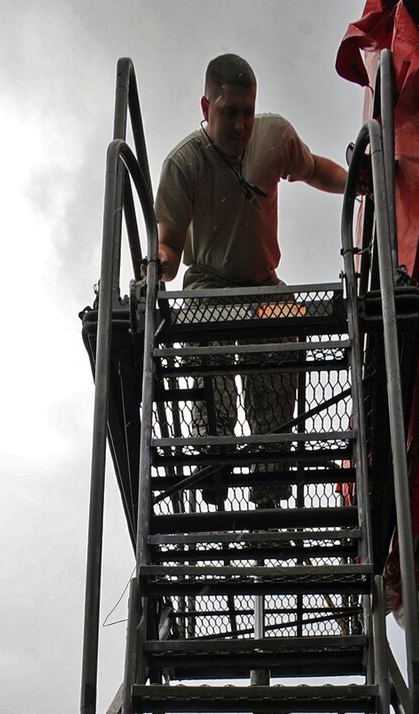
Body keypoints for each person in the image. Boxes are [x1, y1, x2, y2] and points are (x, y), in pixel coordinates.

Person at [153, 53, 346, 503]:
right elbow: (170, 245)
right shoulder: (185, 164)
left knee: (281, 350)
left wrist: (359, 181)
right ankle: (214, 463)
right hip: (209, 285)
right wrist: (157, 266)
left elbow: (315, 169)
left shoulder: (274, 136)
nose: (240, 125)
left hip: (263, 285)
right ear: (206, 108)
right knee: (209, 365)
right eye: (228, 113)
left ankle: (268, 490)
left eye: (247, 112)